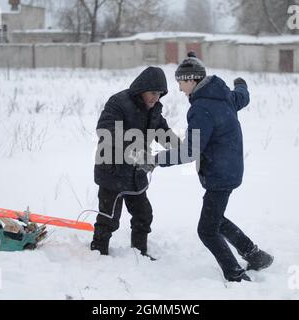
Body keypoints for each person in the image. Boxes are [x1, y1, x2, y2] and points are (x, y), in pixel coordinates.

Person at [138, 53, 273, 282]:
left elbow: (191, 151)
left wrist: (155, 160)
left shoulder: (201, 108)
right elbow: (243, 97)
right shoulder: (225, 95)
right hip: (230, 169)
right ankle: (255, 255)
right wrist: (241, 84)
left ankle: (235, 274)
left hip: (219, 173)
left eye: (181, 82)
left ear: (191, 80)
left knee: (207, 230)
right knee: (216, 218)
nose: (180, 89)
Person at [91, 66, 178, 259]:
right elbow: (106, 131)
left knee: (143, 215)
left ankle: (139, 253)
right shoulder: (119, 102)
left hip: (136, 173)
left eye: (160, 94)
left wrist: (182, 148)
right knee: (109, 218)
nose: (156, 98)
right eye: (153, 93)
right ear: (142, 89)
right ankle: (98, 252)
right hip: (112, 170)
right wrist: (136, 151)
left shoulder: (154, 108)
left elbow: (162, 131)